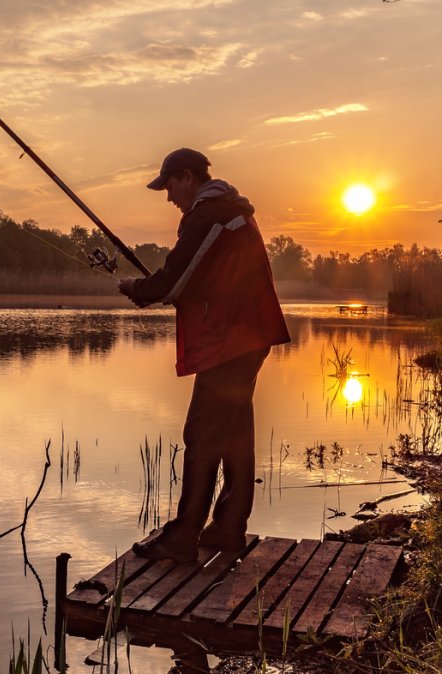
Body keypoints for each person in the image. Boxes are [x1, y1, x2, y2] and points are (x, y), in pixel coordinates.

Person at [117, 148, 290, 562]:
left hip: (230, 341)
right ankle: (228, 529)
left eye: (170, 185)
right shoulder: (230, 211)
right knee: (233, 434)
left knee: (201, 434)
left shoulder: (208, 214)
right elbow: (198, 277)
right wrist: (159, 288)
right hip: (244, 337)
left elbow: (176, 278)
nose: (168, 196)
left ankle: (183, 536)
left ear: (188, 177)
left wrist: (137, 289)